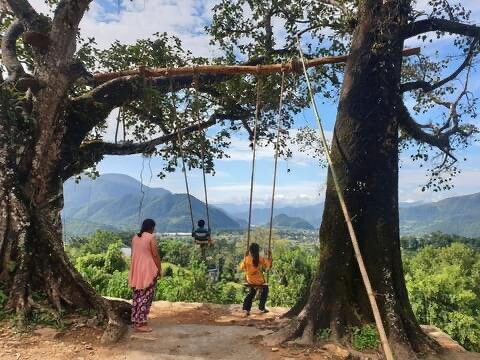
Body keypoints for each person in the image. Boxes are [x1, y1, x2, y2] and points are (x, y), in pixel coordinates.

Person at [128, 218, 162, 332]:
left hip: (136, 270)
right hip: (148, 270)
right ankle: (140, 324)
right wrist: (159, 269)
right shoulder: (151, 238)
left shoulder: (135, 237)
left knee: (137, 296)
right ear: (151, 227)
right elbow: (155, 255)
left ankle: (136, 319)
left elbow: (133, 254)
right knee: (146, 296)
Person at [240, 243, 272, 316]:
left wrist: (244, 256)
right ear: (257, 251)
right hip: (259, 281)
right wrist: (270, 256)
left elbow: (241, 268)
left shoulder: (247, 258)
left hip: (250, 280)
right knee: (265, 289)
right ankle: (261, 307)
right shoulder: (260, 258)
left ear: (250, 251)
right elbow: (268, 266)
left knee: (252, 292)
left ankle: (246, 310)